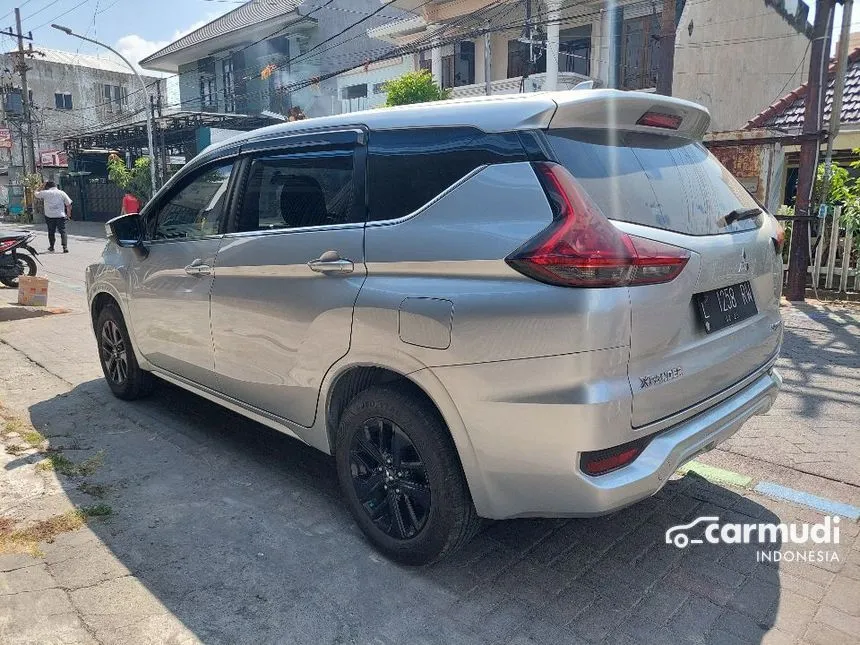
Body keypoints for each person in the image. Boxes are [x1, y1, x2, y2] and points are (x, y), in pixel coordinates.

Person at [34, 181, 72, 253]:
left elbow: (36, 194)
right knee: (63, 231)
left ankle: (52, 247)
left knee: (51, 231)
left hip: (49, 216)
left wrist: (41, 186)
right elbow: (68, 204)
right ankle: (65, 247)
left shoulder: (45, 192)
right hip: (60, 215)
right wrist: (68, 214)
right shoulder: (62, 193)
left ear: (47, 187)